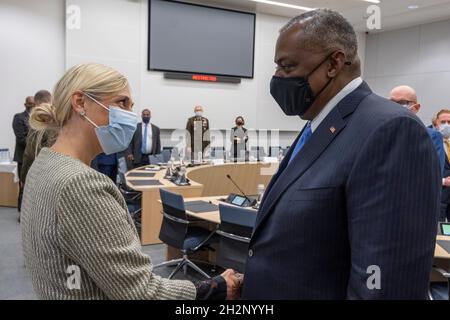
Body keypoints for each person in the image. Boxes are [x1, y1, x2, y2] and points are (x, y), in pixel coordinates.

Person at [242, 9, 440, 299]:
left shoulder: (391, 130)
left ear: (334, 63)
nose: (278, 78)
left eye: (287, 66)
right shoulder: (318, 123)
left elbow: (384, 285)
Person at [21, 63, 241, 300]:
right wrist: (214, 289)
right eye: (122, 103)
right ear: (80, 103)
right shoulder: (81, 185)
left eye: (131, 107)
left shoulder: (43, 164)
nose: (130, 116)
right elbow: (141, 293)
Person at [389, 85, 445, 175]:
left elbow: (435, 173)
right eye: (391, 102)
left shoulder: (431, 136)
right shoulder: (383, 132)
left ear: (416, 107)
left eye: (402, 102)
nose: (395, 106)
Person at [21, 90, 54, 185]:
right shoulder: (61, 118)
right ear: (51, 100)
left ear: (36, 103)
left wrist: (23, 176)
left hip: (40, 170)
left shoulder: (36, 121)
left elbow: (30, 153)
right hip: (60, 170)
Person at [12, 96, 34, 212]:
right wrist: (37, 143)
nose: (32, 107)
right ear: (26, 105)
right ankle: (21, 212)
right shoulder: (19, 118)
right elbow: (21, 138)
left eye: (34, 105)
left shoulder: (38, 118)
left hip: (35, 157)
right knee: (23, 185)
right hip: (22, 157)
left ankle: (31, 212)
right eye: (30, 105)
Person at [435, 109, 450, 221]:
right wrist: (443, 181)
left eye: (449, 122)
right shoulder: (429, 141)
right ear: (436, 124)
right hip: (437, 196)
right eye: (443, 122)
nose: (446, 125)